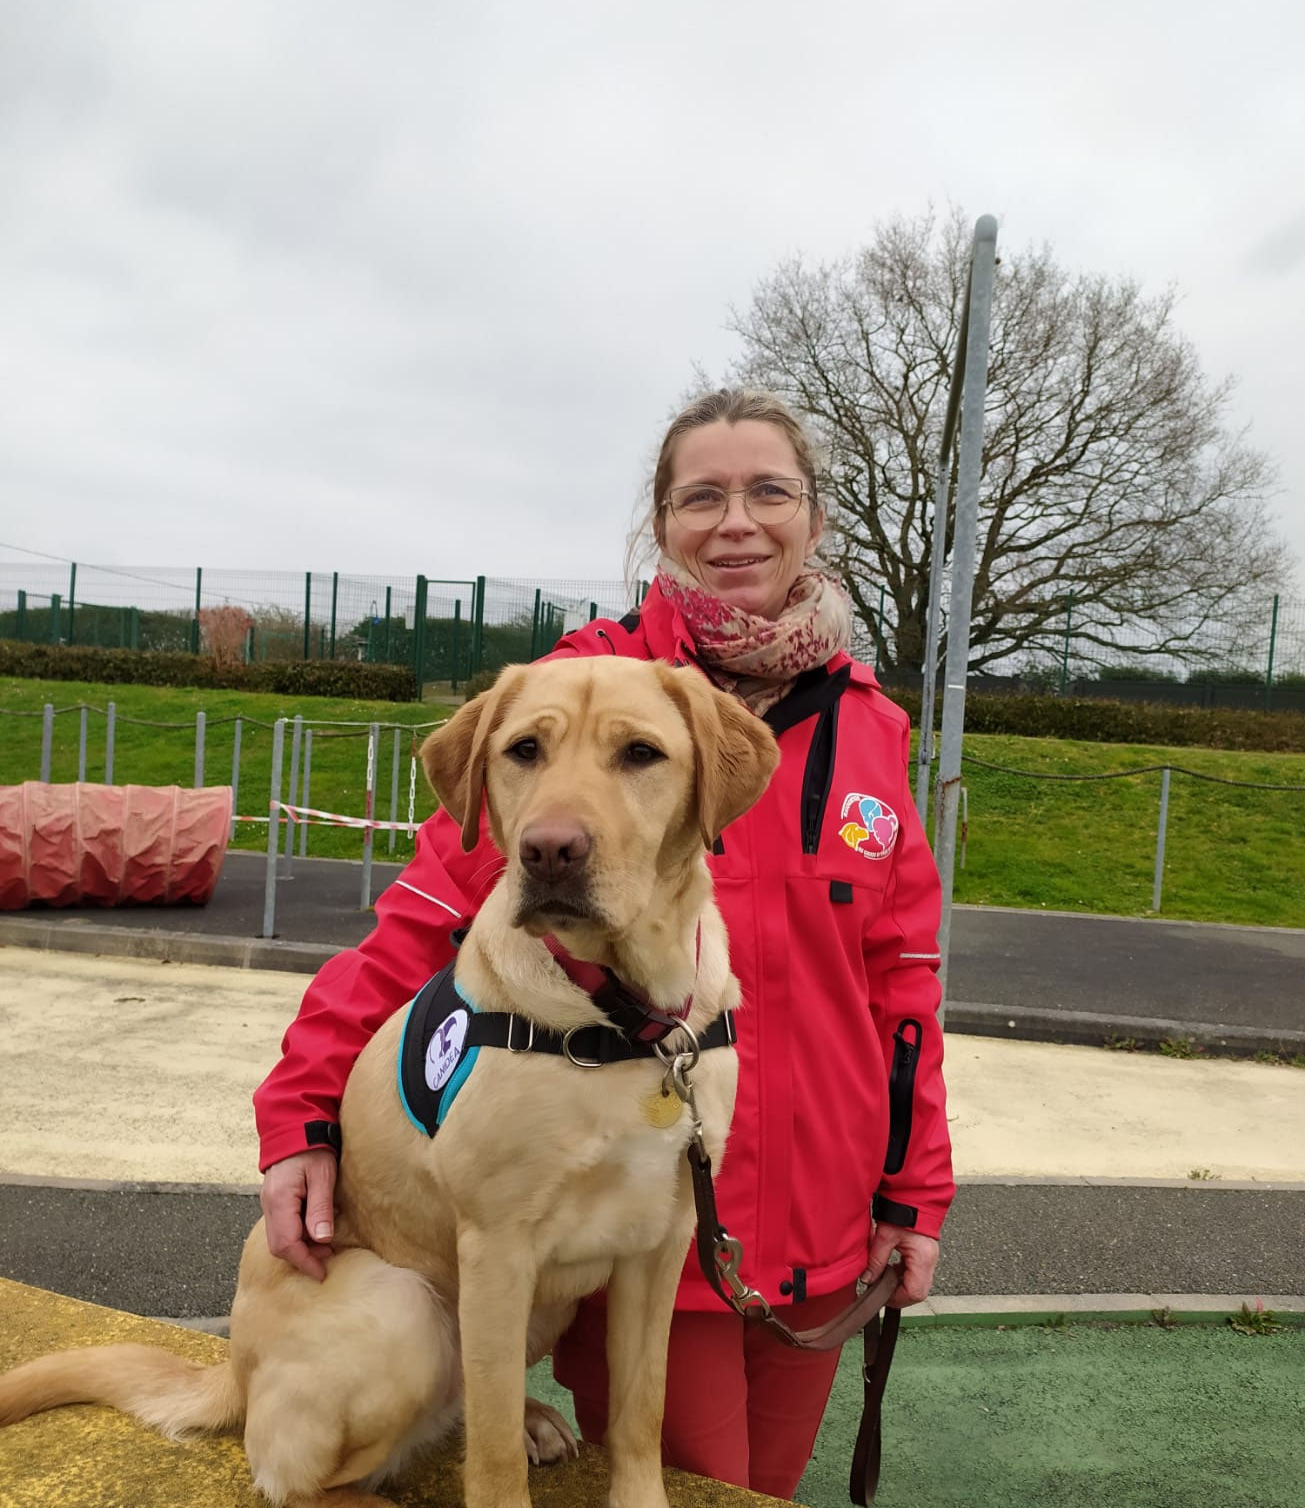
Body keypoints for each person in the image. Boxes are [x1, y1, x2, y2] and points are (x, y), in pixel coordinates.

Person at [253, 387, 954, 1501]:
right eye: (701, 497)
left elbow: (900, 985)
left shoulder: (869, 724)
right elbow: (417, 929)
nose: (736, 521)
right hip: (651, 1238)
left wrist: (911, 1197)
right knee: (682, 1481)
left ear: (815, 518)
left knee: (765, 1491)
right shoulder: (569, 696)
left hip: (825, 1226)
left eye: (769, 492)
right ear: (661, 523)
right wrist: (301, 1110)